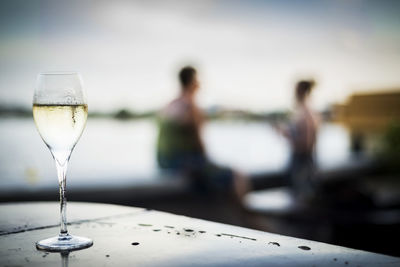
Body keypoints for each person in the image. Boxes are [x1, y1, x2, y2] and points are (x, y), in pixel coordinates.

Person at [156, 66, 248, 198]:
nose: (200, 84)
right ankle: (246, 216)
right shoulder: (190, 106)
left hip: (164, 162)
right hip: (179, 163)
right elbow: (199, 143)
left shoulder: (170, 105)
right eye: (198, 79)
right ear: (193, 82)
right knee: (237, 175)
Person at [279, 80, 319, 202]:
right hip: (302, 165)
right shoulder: (306, 112)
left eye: (295, 90)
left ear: (300, 92)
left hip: (302, 168)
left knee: (302, 200)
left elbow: (305, 145)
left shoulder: (306, 114)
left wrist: (286, 134)